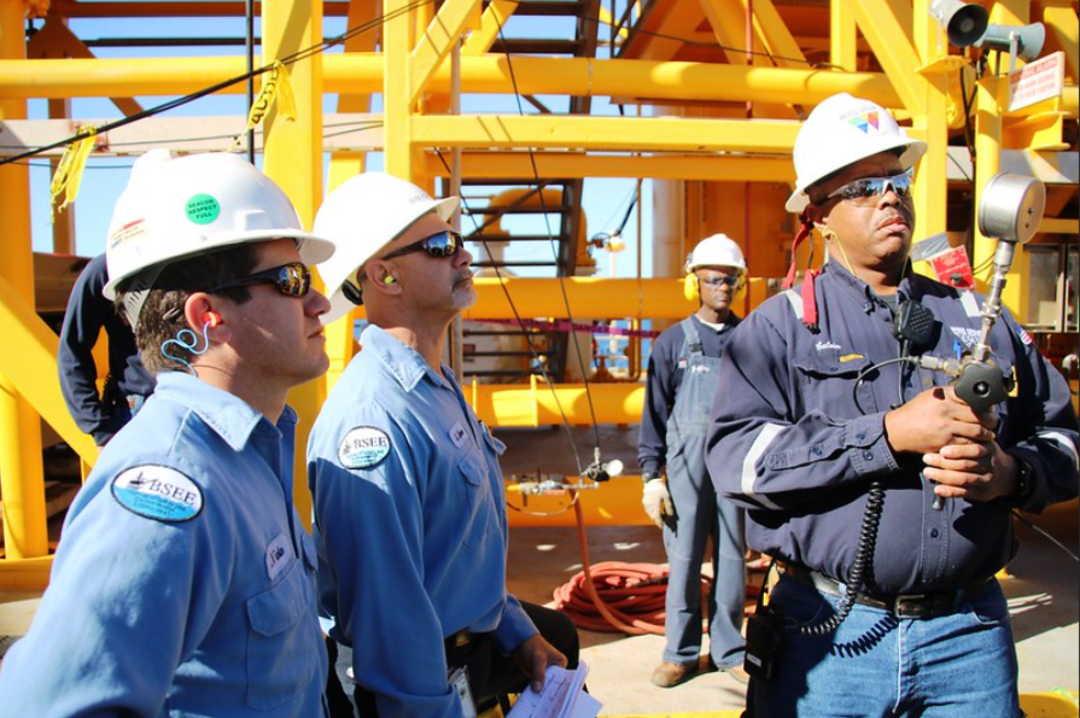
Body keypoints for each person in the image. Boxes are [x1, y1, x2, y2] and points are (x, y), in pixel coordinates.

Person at [706, 92, 1080, 716]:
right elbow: (738, 463)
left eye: (897, 179)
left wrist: (1010, 475)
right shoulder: (778, 328)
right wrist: (887, 434)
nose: (890, 196)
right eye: (863, 186)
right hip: (827, 636)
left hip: (970, 635)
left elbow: (1064, 438)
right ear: (818, 214)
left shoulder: (974, 317)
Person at [0, 151, 337, 716]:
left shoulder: (251, 453)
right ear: (209, 315)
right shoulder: (167, 489)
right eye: (291, 279)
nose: (320, 301)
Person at [307, 172, 580, 718]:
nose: (463, 255)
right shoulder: (374, 419)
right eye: (440, 246)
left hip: (463, 654)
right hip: (416, 678)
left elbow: (454, 553)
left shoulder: (436, 385)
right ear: (383, 276)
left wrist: (518, 631)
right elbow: (391, 620)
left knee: (560, 635)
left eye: (456, 240)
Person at [637, 234, 748, 688]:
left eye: (732, 280)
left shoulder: (753, 339)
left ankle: (729, 651)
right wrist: (650, 476)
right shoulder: (671, 343)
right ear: (694, 284)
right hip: (684, 467)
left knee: (733, 559)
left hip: (735, 464)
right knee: (683, 561)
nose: (723, 287)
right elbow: (654, 412)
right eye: (714, 279)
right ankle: (679, 653)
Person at [58, 253, 156, 446]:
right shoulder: (108, 268)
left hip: (206, 401)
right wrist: (98, 428)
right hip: (140, 411)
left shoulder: (199, 254)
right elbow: (72, 349)